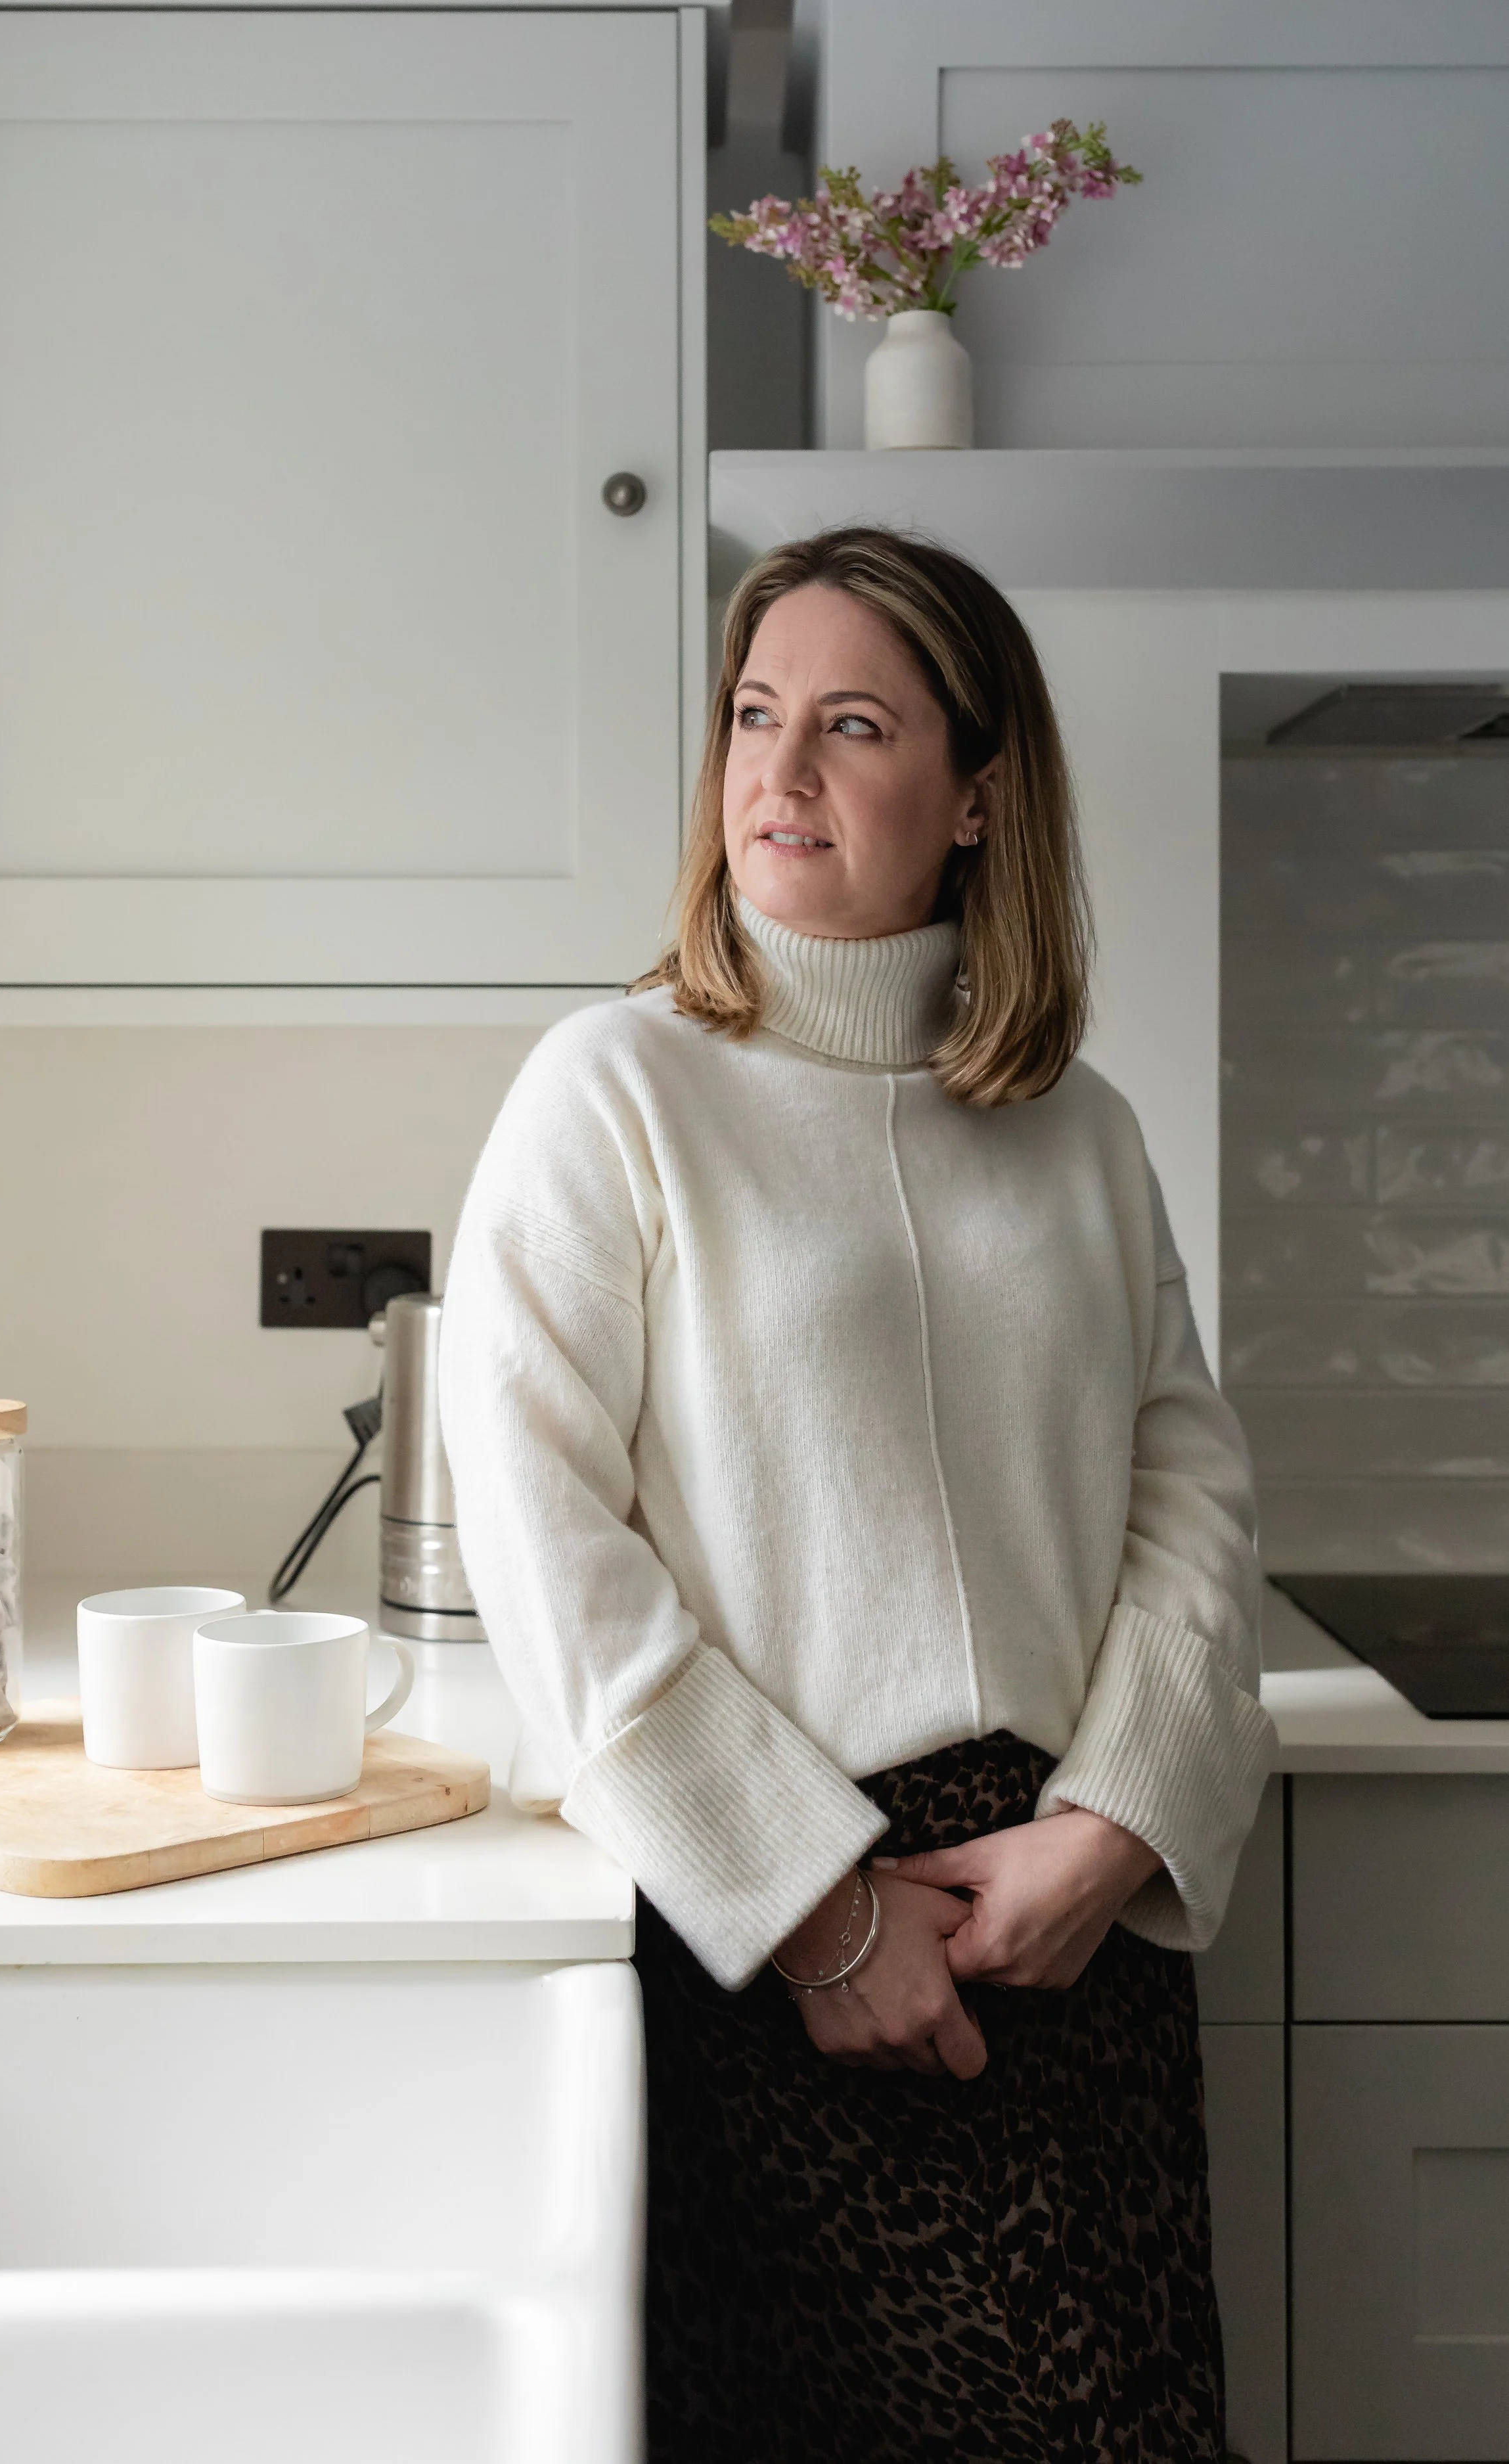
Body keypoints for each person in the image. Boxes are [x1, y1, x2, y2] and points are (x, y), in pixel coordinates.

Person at [439, 526, 1274, 2464]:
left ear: (977, 798)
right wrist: (817, 1914)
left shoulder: (1079, 1125)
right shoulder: (613, 1086)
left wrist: (1124, 1814)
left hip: (1070, 1922)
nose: (774, 771)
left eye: (849, 722)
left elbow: (1187, 1479)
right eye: (751, 713)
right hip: (787, 1925)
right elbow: (542, 1528)